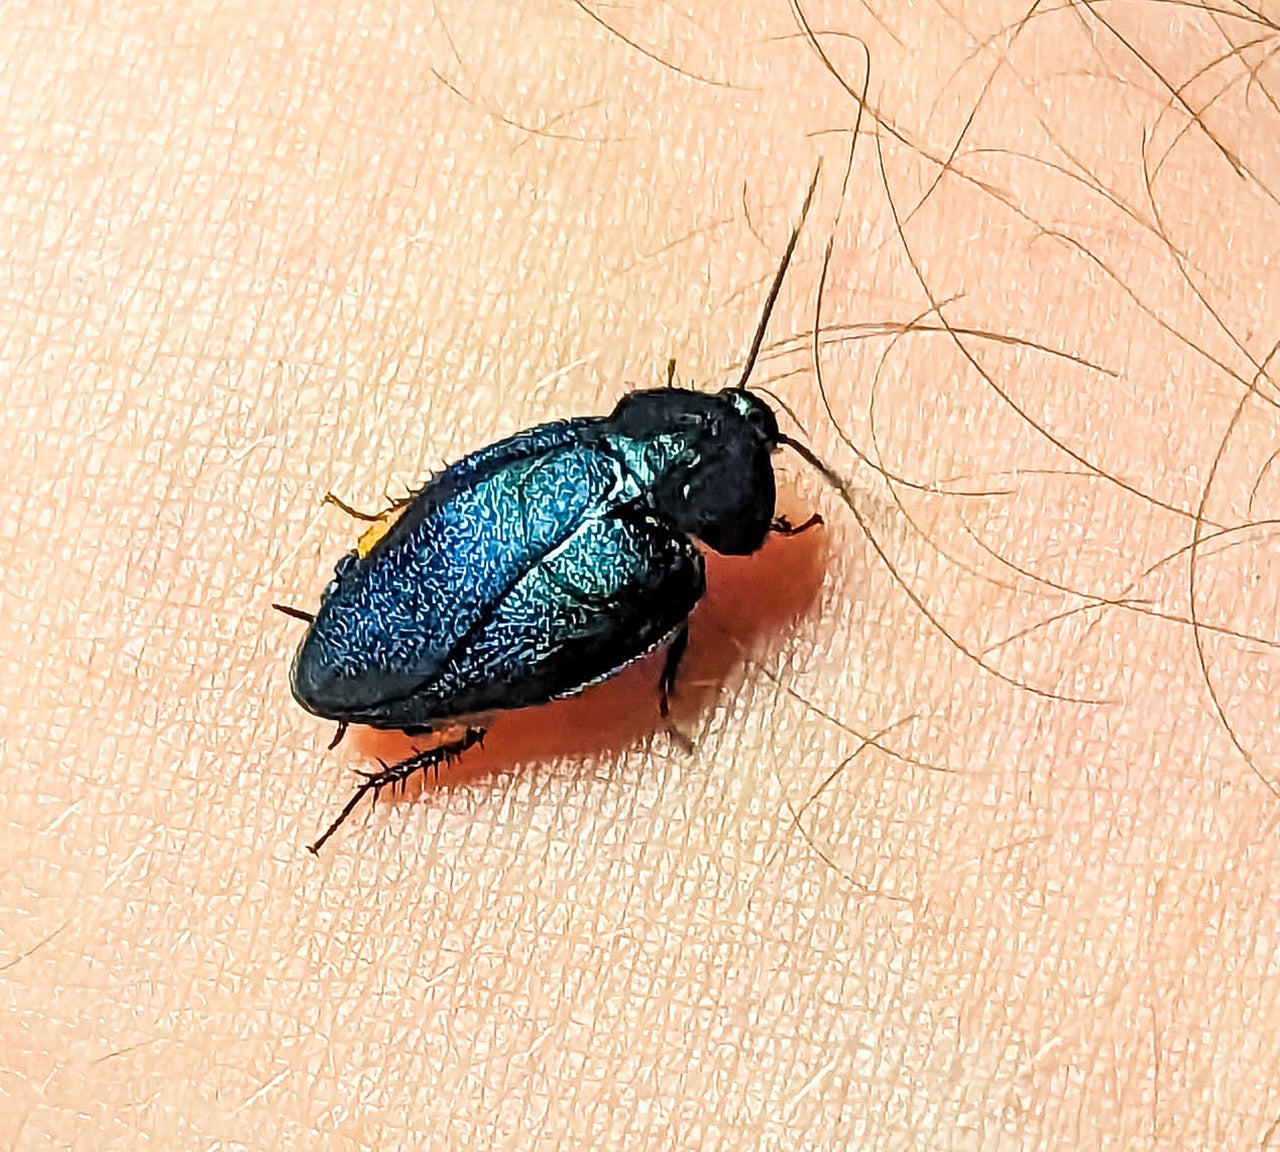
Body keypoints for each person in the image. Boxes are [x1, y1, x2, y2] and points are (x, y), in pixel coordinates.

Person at [4, 2, 1277, 1146]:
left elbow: (459, 494)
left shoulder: (587, 448)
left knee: (485, 660)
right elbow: (548, 630)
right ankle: (397, 743)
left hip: (434, 565)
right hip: (439, 616)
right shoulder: (673, 583)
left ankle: (390, 733)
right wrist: (670, 670)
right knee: (492, 700)